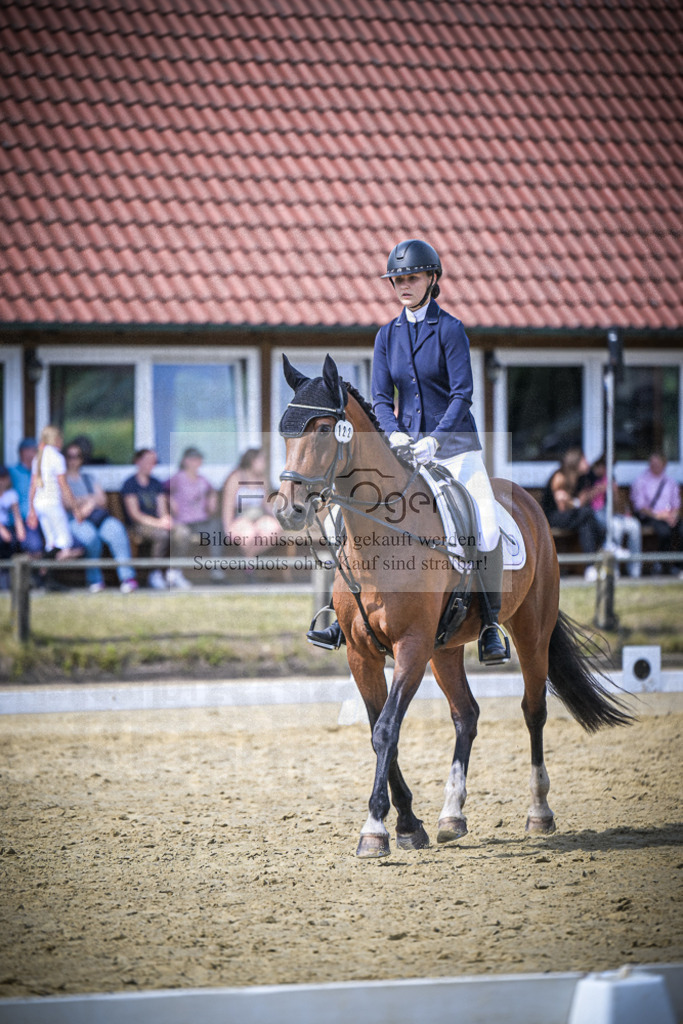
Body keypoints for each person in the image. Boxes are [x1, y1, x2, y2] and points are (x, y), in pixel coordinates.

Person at [308, 238, 509, 663]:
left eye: (411, 277)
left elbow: (462, 394)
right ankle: (340, 614)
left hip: (454, 448)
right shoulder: (387, 335)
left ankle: (490, 623)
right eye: (397, 279)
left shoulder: (451, 330)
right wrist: (396, 434)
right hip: (402, 450)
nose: (403, 284)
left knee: (486, 527)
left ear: (432, 279)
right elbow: (380, 396)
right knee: (336, 524)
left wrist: (435, 438)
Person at [64, 441, 138, 594]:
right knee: (90, 537)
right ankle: (95, 580)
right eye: (70, 456)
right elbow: (66, 502)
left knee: (117, 531)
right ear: (65, 458)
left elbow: (103, 500)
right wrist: (90, 500)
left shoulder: (88, 478)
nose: (74, 460)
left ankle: (127, 578)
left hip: (97, 517)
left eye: (77, 456)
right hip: (75, 520)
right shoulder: (62, 480)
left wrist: (87, 502)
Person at [120, 448, 184, 589]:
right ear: (138, 461)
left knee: (181, 532)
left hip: (157, 523)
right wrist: (159, 523)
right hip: (139, 526)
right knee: (161, 535)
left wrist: (166, 519)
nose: (152, 464)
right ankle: (154, 573)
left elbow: (161, 509)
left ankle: (174, 572)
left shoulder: (156, 483)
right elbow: (135, 514)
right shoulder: (130, 484)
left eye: (154, 462)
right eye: (148, 461)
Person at [541, 447, 606, 582]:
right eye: (584, 460)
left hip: (572, 516)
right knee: (587, 514)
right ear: (575, 462)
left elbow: (579, 503)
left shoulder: (582, 479)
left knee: (585, 525)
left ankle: (590, 568)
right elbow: (562, 507)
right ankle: (605, 543)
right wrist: (573, 503)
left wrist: (580, 498)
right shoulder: (559, 477)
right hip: (552, 517)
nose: (587, 463)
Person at [165, 446, 218, 587]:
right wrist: (170, 500)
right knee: (182, 535)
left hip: (200, 521)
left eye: (198, 459)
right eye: (193, 459)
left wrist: (212, 498)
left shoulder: (202, 480)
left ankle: (216, 569)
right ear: (185, 461)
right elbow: (161, 490)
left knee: (216, 529)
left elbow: (211, 491)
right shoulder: (178, 478)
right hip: (182, 521)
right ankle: (175, 572)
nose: (196, 462)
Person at [27, 426, 83, 561]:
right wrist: (75, 508)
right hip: (52, 503)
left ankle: (46, 572)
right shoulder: (57, 458)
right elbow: (63, 485)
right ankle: (54, 565)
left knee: (51, 542)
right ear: (57, 440)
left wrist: (32, 509)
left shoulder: (38, 458)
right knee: (66, 544)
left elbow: (33, 485)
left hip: (39, 504)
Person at [582, 454, 642, 578]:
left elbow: (618, 507)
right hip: (594, 514)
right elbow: (582, 502)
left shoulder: (610, 477)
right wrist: (597, 490)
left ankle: (635, 570)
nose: (606, 471)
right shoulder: (587, 477)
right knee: (616, 527)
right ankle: (613, 569)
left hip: (612, 514)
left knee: (635, 526)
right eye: (604, 467)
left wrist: (615, 494)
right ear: (599, 466)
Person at [221, 448, 282, 559]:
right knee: (249, 535)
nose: (264, 464)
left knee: (274, 530)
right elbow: (228, 505)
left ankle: (248, 558)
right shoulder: (236, 478)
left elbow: (266, 504)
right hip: (241, 518)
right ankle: (251, 564)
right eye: (261, 461)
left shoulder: (262, 479)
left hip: (259, 517)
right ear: (252, 461)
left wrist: (278, 518)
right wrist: (227, 527)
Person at [630, 452, 682, 576]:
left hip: (668, 516)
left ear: (664, 465)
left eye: (657, 464)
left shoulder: (670, 482)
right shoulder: (641, 481)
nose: (654, 466)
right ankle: (663, 565)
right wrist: (658, 515)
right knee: (664, 532)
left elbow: (676, 504)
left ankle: (678, 565)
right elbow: (640, 507)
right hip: (650, 516)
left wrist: (673, 515)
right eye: (652, 463)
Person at [9, 438, 44, 557]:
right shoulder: (11, 472)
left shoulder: (42, 472)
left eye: (34, 450)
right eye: (28, 450)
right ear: (21, 453)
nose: (32, 453)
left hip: (43, 516)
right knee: (34, 547)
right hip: (24, 520)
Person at [0, 466, 26, 589]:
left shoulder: (10, 495)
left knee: (15, 545)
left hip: (7, 527)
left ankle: (8, 584)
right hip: (2, 530)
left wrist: (21, 531)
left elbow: (17, 515)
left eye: (3, 478)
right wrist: (2, 531)